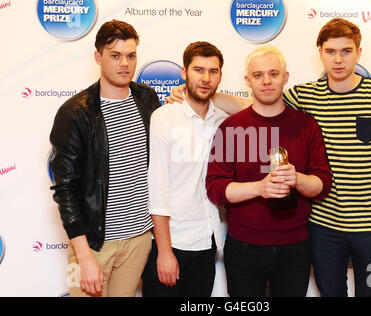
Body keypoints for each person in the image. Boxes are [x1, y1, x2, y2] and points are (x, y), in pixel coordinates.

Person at [169, 18, 371, 297]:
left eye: (346, 51)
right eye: (330, 51)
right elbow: (258, 104)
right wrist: (191, 93)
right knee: (331, 293)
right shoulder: (305, 95)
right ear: (319, 53)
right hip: (324, 228)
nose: (338, 59)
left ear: (359, 52)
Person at [205, 45, 332, 297]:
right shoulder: (230, 127)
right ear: (247, 81)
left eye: (273, 74)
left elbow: (322, 185)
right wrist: (259, 188)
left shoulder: (306, 125)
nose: (266, 81)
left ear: (285, 77)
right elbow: (215, 189)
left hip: (295, 247)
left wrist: (297, 179)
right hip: (243, 247)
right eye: (258, 75)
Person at [49, 20, 160, 297]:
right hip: (92, 245)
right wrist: (83, 257)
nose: (125, 64)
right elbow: (65, 190)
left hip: (138, 240)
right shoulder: (75, 112)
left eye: (131, 55)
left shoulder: (147, 99)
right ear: (98, 57)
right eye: (115, 55)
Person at [140, 42, 228, 297]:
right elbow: (158, 186)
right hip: (171, 242)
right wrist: (165, 252)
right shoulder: (164, 117)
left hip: (207, 241)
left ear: (221, 76)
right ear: (183, 72)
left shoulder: (223, 121)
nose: (206, 78)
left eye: (213, 71)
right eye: (198, 70)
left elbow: (262, 103)